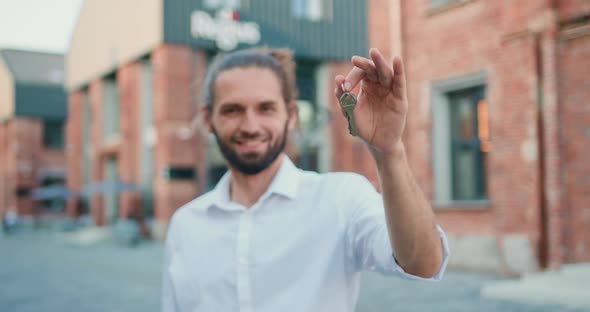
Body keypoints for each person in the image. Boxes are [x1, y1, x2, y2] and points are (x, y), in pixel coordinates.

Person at [161, 47, 450, 312]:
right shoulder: (185, 226)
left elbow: (423, 263)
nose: (250, 126)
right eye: (232, 110)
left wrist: (389, 151)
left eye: (266, 108)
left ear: (290, 115)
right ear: (208, 118)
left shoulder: (340, 199)